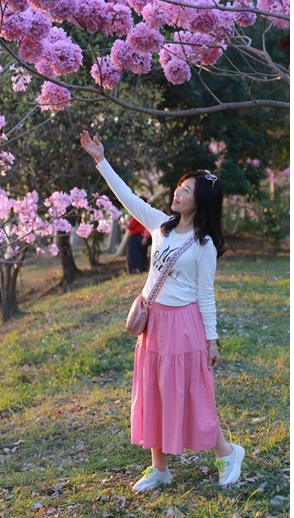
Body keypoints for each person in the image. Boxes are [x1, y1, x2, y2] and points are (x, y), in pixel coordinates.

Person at [80, 131, 243, 492]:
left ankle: (227, 453)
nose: (177, 192)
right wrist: (100, 160)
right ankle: (160, 468)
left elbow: (206, 294)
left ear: (199, 201)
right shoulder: (160, 226)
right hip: (153, 325)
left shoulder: (204, 246)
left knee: (192, 394)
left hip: (185, 325)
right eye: (179, 187)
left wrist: (212, 340)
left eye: (185, 190)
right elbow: (127, 197)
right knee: (153, 390)